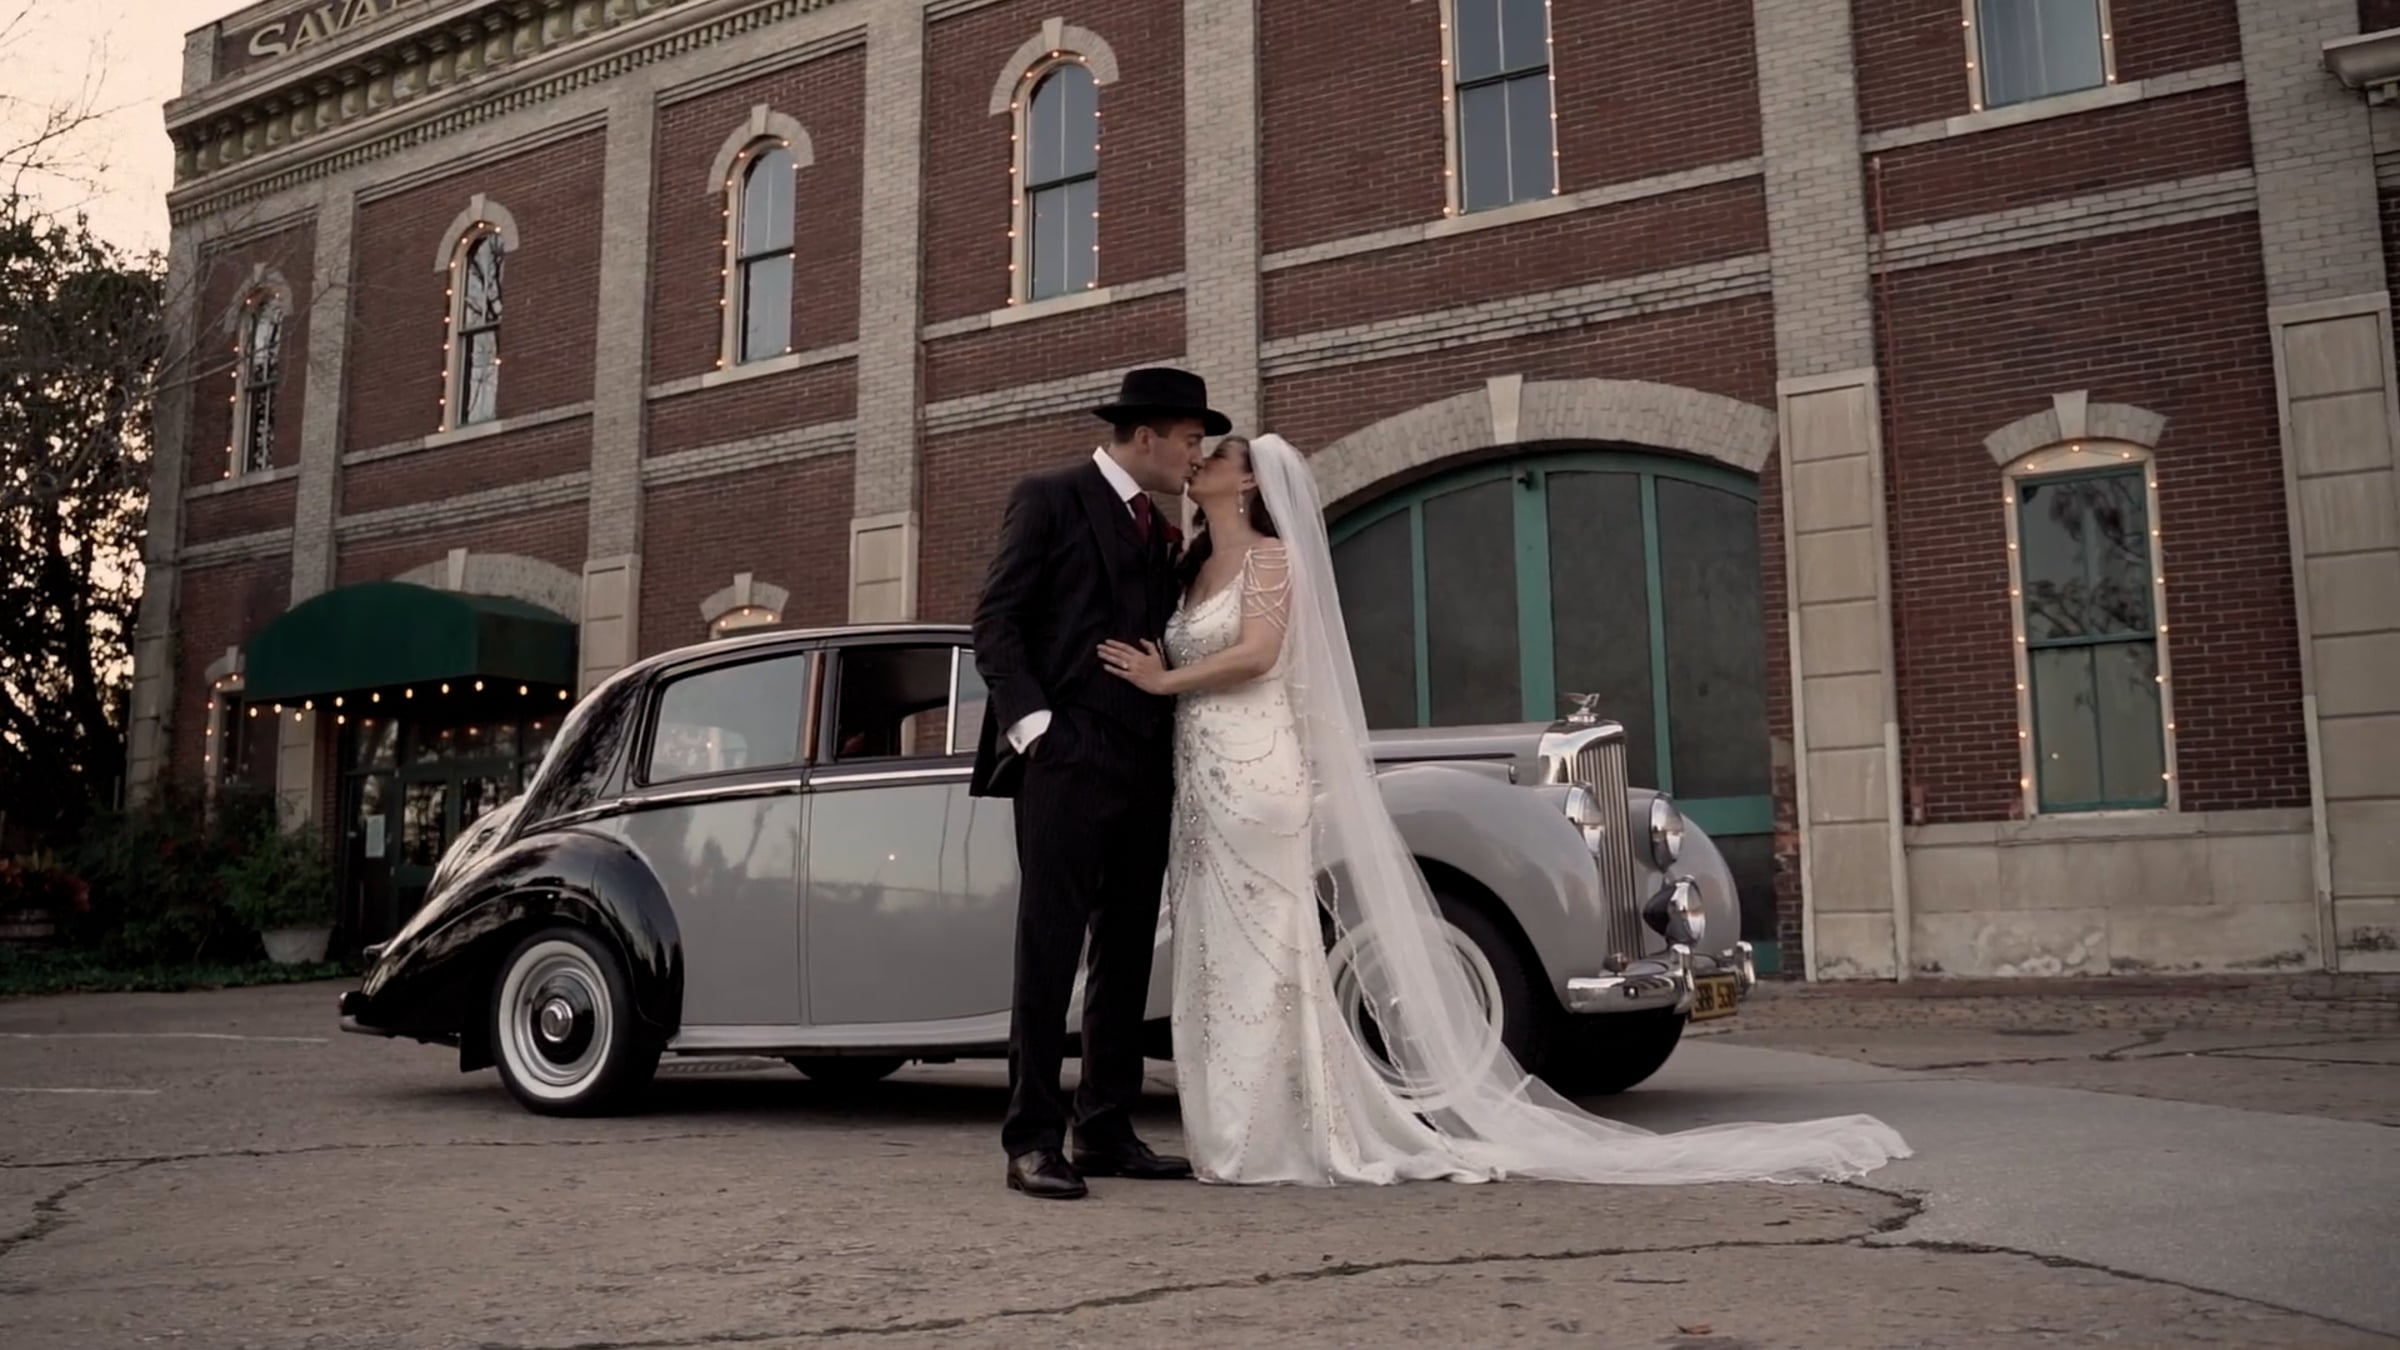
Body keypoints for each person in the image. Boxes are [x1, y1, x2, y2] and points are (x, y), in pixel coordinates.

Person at [1097, 433, 1913, 1186]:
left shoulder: (1272, 558)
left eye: (1216, 456)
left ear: (1248, 483)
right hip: (1199, 779)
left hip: (1255, 772)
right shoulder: (1189, 566)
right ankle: (1233, 1128)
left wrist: (1165, 680)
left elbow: (1260, 653)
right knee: (1216, 954)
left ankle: (1275, 1131)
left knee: (1269, 951)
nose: (1198, 461)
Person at [969, 366, 1223, 1200]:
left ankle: (1106, 1127)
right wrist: (1037, 730)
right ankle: (1032, 1141)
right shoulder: (1050, 497)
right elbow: (997, 620)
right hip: (1066, 759)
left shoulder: (1161, 526)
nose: (1197, 456)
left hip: (1145, 761)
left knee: (1126, 948)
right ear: (1145, 436)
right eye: (1190, 440)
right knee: (1048, 949)